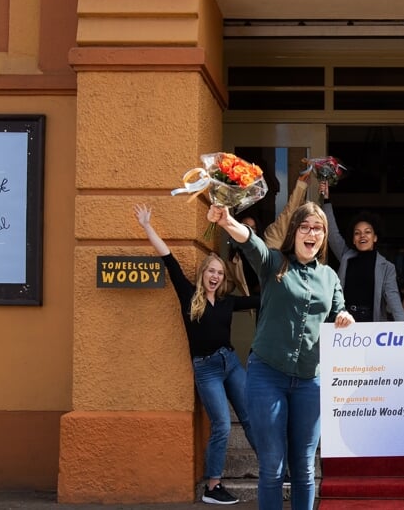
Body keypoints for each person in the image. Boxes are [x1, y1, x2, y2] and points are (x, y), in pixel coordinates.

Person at [210, 202, 355, 510]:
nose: (311, 233)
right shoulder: (273, 262)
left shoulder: (329, 276)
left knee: (304, 469)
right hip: (267, 376)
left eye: (318, 228)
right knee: (273, 467)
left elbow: (341, 310)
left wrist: (344, 319)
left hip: (309, 381)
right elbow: (251, 242)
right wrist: (226, 222)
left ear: (324, 236)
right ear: (294, 232)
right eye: (305, 227)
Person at [134, 204, 257, 506]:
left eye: (219, 273)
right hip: (207, 370)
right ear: (203, 274)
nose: (215, 276)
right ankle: (212, 487)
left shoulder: (228, 302)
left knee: (251, 418)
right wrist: (148, 227)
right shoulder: (189, 296)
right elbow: (169, 260)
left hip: (230, 363)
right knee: (223, 426)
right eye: (211, 271)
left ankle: (274, 469)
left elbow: (261, 300)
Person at [320, 182, 404, 322]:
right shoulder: (346, 256)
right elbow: (332, 234)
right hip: (344, 321)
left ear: (375, 237)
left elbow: (394, 302)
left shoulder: (387, 267)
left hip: (372, 325)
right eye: (357, 233)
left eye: (367, 232)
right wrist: (326, 200)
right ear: (353, 239)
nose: (362, 236)